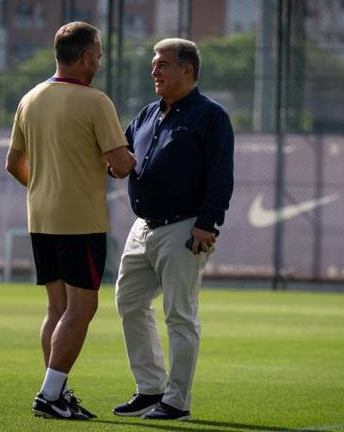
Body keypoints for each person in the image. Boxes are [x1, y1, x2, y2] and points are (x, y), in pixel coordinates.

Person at [5, 21, 135, 421]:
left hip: (40, 218)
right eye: (98, 54)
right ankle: (49, 395)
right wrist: (130, 159)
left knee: (57, 308)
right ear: (85, 57)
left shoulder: (30, 98)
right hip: (80, 221)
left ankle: (57, 393)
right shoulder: (96, 101)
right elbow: (120, 165)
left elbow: (13, 164)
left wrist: (44, 188)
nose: (100, 60)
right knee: (82, 308)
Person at [112, 38, 234, 421]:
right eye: (154, 63)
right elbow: (121, 155)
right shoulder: (148, 113)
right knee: (129, 302)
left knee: (180, 315)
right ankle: (151, 389)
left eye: (163, 64)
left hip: (185, 227)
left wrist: (207, 223)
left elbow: (220, 174)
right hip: (143, 228)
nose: (155, 70)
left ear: (188, 69)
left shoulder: (211, 116)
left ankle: (177, 402)